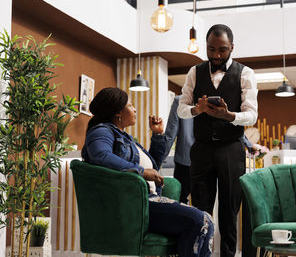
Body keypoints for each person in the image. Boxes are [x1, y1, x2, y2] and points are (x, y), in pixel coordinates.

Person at [82, 87, 214, 257]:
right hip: (132, 205)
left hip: (144, 200)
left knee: (205, 219)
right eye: (130, 105)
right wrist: (142, 172)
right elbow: (101, 156)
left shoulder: (126, 138)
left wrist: (158, 135)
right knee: (200, 220)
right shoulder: (102, 131)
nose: (135, 109)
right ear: (117, 112)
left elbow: (154, 166)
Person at [177, 24, 258, 257]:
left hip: (231, 149)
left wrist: (229, 116)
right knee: (200, 210)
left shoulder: (245, 73)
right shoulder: (195, 72)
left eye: (222, 50)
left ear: (232, 47)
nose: (216, 55)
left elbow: (252, 114)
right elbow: (182, 110)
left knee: (229, 211)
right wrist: (196, 109)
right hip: (201, 149)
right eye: (211, 49)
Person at [163, 95, 194, 204]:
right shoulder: (212, 99)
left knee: (180, 201)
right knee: (204, 204)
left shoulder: (179, 100)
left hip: (185, 160)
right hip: (206, 160)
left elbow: (171, 133)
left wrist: (158, 159)